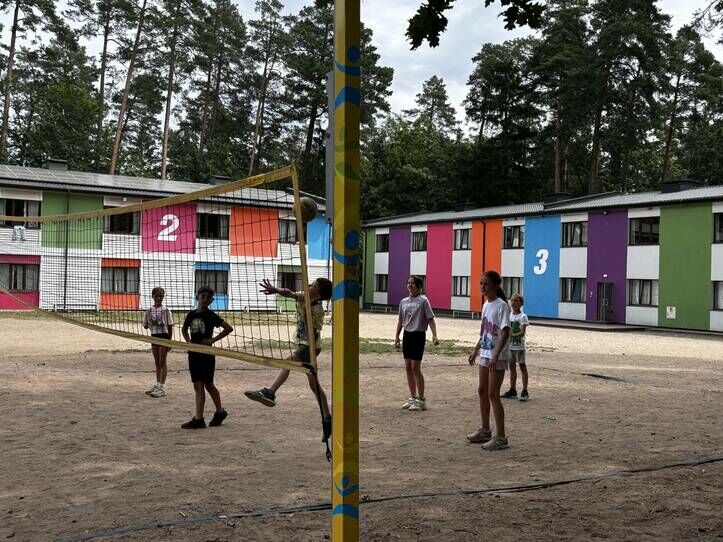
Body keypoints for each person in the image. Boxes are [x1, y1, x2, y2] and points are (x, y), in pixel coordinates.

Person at [244, 277, 334, 441]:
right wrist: (275, 290)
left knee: (288, 361)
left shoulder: (318, 310)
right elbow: (289, 293)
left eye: (314, 285)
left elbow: (313, 334)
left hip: (311, 347)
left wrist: (306, 315)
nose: (309, 284)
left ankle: (270, 392)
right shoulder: (304, 296)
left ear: (318, 294)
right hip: (304, 345)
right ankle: (327, 418)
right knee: (314, 385)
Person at [466, 270, 511, 451]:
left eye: (486, 284)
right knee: (482, 390)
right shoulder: (486, 305)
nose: (482, 287)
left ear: (496, 285)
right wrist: (476, 350)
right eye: (481, 283)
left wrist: (496, 354)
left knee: (493, 394)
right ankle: (485, 430)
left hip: (496, 356)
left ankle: (501, 437)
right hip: (485, 353)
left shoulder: (502, 306)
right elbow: (484, 331)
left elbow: (505, 332)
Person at [180, 286, 233, 429]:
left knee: (208, 385)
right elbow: (184, 329)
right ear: (197, 297)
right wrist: (188, 341)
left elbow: (229, 328)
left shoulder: (211, 315)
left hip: (206, 354)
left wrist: (213, 340)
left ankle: (217, 413)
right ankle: (202, 418)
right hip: (194, 353)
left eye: (208, 297)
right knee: (198, 385)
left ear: (211, 301)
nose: (205, 299)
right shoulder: (191, 314)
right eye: (202, 296)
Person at [394, 275, 439, 411]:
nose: (410, 285)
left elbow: (430, 319)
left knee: (415, 367)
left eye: (413, 283)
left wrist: (434, 335)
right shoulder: (403, 302)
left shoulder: (423, 301)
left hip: (418, 335)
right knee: (408, 367)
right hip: (407, 335)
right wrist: (397, 336)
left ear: (419, 287)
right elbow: (400, 320)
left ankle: (421, 400)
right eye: (408, 283)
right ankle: (413, 397)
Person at [142, 287, 174, 398]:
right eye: (157, 296)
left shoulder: (166, 310)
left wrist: (170, 341)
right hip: (154, 336)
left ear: (163, 297)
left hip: (164, 336)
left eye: (161, 296)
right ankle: (157, 384)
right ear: (153, 297)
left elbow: (170, 326)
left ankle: (161, 387)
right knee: (157, 362)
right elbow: (145, 325)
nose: (159, 298)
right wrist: (149, 323)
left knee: (162, 362)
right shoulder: (149, 311)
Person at [502, 293, 530, 401]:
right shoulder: (509, 315)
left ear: (521, 303)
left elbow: (522, 332)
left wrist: (511, 334)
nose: (513, 302)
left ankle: (525, 390)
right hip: (510, 347)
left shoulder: (523, 316)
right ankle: (512, 389)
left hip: (519, 347)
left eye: (516, 300)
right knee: (512, 368)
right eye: (512, 300)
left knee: (522, 367)